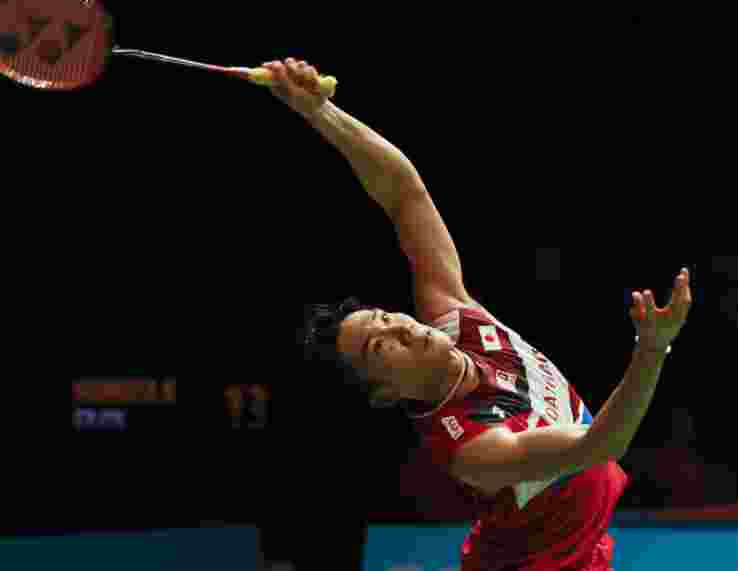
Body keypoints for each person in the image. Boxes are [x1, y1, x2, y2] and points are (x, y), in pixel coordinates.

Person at [270, 58, 692, 571]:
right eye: (383, 346)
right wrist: (651, 349)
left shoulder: (456, 318)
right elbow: (604, 442)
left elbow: (405, 196)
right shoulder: (471, 447)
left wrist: (321, 112)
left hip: (582, 550)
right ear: (385, 393)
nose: (403, 326)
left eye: (386, 317)